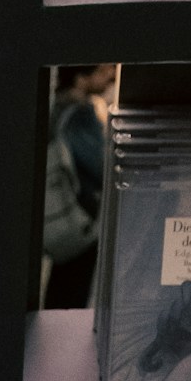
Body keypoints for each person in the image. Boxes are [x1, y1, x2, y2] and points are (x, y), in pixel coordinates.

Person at [45, 64, 114, 310]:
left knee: (60, 285)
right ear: (81, 77)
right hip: (81, 211)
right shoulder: (81, 111)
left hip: (63, 206)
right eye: (102, 71)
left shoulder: (56, 104)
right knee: (74, 290)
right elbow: (100, 165)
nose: (110, 76)